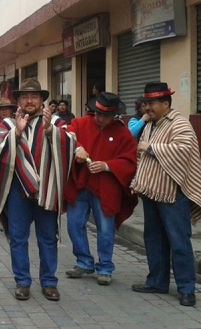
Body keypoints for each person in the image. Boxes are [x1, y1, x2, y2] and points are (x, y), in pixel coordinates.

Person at [0, 78, 76, 302]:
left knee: (48, 238)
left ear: (41, 100)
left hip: (47, 191)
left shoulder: (56, 121)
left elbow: (71, 143)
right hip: (18, 191)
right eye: (25, 97)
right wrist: (16, 134)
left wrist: (50, 131)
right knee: (18, 238)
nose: (30, 101)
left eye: (35, 96)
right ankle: (22, 282)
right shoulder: (9, 124)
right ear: (18, 100)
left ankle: (49, 282)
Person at [130, 82, 201, 307]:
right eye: (146, 104)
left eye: (151, 104)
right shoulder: (151, 124)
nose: (147, 108)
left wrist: (151, 148)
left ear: (165, 103)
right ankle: (157, 281)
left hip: (173, 194)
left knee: (178, 241)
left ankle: (186, 289)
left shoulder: (179, 123)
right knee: (153, 239)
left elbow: (184, 149)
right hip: (152, 191)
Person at [64, 92, 137, 286]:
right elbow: (66, 135)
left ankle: (105, 267)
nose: (100, 118)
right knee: (73, 225)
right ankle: (84, 261)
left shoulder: (123, 133)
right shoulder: (81, 124)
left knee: (106, 229)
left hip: (106, 188)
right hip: (81, 184)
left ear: (115, 115)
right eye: (97, 114)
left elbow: (129, 161)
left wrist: (107, 166)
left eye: (105, 116)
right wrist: (76, 148)